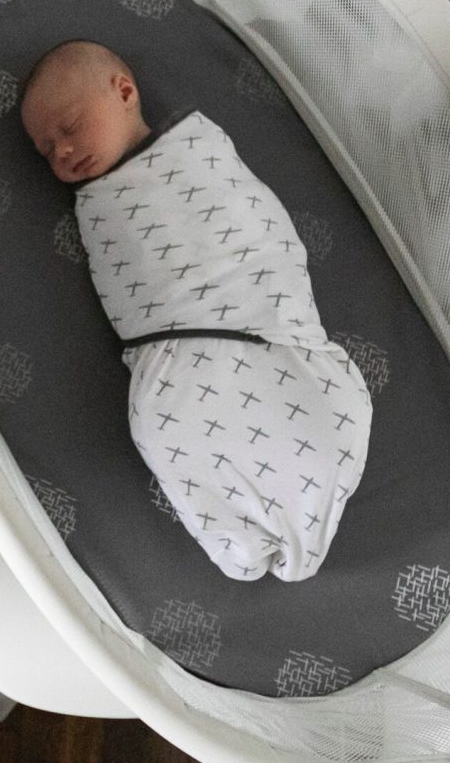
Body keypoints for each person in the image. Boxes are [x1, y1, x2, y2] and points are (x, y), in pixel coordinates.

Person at [19, 39, 371, 582]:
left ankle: (295, 499)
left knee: (227, 406)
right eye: (47, 151)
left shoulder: (197, 150)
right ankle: (244, 538)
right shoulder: (97, 205)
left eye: (69, 127)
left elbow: (259, 235)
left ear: (125, 92)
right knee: (159, 422)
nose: (63, 152)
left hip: (253, 312)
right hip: (174, 342)